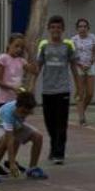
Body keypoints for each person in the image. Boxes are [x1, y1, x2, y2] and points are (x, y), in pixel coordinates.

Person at [37, 15, 80, 164]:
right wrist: (29, 85)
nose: (56, 30)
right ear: (49, 29)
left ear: (62, 30)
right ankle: (53, 146)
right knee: (50, 123)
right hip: (47, 90)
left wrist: (79, 87)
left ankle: (59, 154)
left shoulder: (67, 47)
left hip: (63, 90)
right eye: (53, 27)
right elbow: (38, 67)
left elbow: (74, 67)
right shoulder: (44, 47)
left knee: (61, 123)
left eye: (58, 27)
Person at [0, 91, 49, 183]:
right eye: (23, 112)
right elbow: (10, 140)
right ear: (18, 106)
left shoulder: (27, 106)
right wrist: (12, 163)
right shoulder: (8, 112)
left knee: (38, 137)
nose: (24, 115)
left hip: (15, 124)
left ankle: (32, 168)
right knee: (6, 141)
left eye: (27, 113)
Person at [72, 18, 95, 126]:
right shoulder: (73, 39)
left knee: (90, 93)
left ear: (88, 28)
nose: (82, 28)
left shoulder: (93, 37)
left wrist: (91, 62)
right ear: (77, 28)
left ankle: (82, 109)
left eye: (84, 26)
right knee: (80, 92)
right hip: (79, 66)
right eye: (80, 26)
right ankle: (81, 118)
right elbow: (72, 56)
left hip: (90, 66)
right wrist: (80, 65)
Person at [0, 33, 35, 108]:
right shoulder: (3, 58)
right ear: (9, 45)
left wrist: (29, 52)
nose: (19, 49)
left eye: (22, 47)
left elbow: (34, 71)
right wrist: (13, 88)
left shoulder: (21, 60)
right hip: (4, 101)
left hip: (17, 101)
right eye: (16, 46)